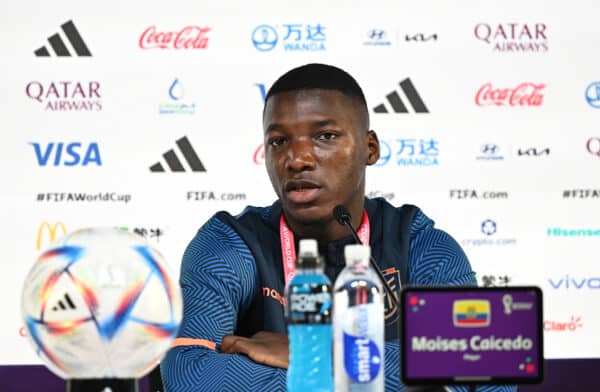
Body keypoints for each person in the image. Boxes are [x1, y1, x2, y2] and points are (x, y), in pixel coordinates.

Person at [160, 63, 515, 391]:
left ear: (369, 149)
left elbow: (486, 371)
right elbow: (190, 373)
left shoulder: (419, 244)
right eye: (278, 141)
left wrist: (318, 358)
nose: (297, 159)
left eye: (325, 136)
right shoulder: (231, 243)